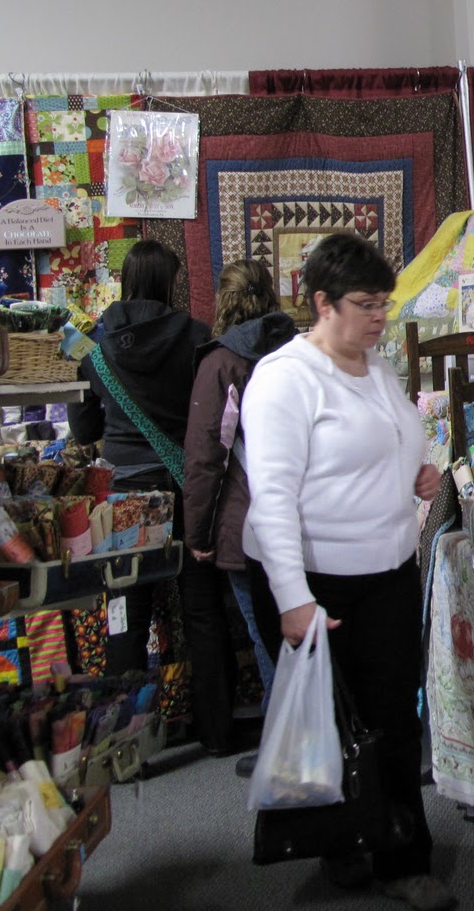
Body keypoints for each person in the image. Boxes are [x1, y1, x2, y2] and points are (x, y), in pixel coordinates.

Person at [241, 233, 453, 911]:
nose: (380, 317)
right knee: (333, 724)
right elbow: (272, 498)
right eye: (366, 305)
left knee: (392, 720)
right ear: (322, 303)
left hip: (387, 569)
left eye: (384, 304)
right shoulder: (283, 379)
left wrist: (417, 473)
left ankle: (402, 859)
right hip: (317, 579)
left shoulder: (376, 368)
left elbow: (389, 442)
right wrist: (292, 598)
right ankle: (343, 845)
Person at [69, 241, 218, 724]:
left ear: (127, 281)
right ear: (169, 282)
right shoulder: (197, 336)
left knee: (126, 614)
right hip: (183, 484)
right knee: (202, 607)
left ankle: (125, 734)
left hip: (125, 493)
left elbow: (84, 431)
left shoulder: (94, 343)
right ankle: (215, 729)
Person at [181, 260, 297, 773]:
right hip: (304, 514)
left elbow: (206, 456)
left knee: (265, 635)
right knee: (298, 631)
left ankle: (283, 749)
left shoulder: (223, 364)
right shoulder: (297, 352)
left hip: (248, 522)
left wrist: (197, 533)